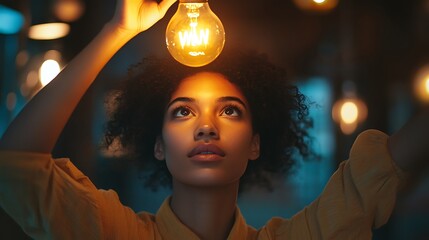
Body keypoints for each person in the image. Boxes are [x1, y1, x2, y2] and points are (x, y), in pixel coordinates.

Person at [0, 0, 428, 239]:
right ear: (159, 144)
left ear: (255, 143)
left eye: (230, 110)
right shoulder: (111, 232)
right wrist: (117, 31)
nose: (207, 126)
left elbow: (375, 174)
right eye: (183, 111)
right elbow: (15, 164)